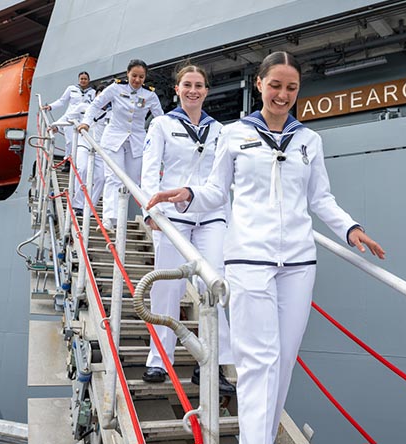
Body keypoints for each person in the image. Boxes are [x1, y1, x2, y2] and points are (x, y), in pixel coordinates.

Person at [146, 51, 385, 444]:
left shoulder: (309, 140)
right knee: (258, 362)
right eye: (275, 85)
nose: (282, 94)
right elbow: (215, 191)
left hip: (298, 263)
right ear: (259, 84)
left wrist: (350, 229)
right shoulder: (233, 134)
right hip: (248, 259)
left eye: (291, 87)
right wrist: (186, 194)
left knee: (285, 361)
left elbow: (320, 198)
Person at [139, 64, 235, 395]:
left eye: (199, 85)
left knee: (216, 283)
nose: (193, 90)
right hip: (170, 217)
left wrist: (232, 220)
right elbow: (150, 169)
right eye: (187, 85)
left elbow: (223, 181)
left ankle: (212, 363)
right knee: (166, 288)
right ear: (177, 89)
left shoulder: (220, 131)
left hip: (210, 216)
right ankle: (158, 359)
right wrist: (149, 210)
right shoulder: (162, 125)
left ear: (207, 90)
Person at [79, 59, 163, 231]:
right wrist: (86, 122)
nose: (137, 80)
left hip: (137, 141)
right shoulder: (116, 88)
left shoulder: (150, 95)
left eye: (141, 77)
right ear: (127, 74)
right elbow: (95, 105)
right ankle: (110, 219)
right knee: (113, 177)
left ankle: (145, 215)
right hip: (114, 138)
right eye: (134, 76)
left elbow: (160, 118)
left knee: (133, 181)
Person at [72, 84, 111, 217]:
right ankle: (78, 204)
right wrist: (56, 127)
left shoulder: (112, 114)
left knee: (101, 178)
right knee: (82, 169)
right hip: (84, 143)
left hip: (100, 148)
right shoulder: (84, 107)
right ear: (96, 95)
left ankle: (90, 207)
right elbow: (69, 117)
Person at [44, 71, 95, 171]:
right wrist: (51, 107)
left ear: (88, 80)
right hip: (70, 119)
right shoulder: (71, 89)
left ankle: (79, 163)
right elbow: (62, 101)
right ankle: (68, 161)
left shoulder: (92, 92)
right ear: (79, 79)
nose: (83, 81)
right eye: (81, 79)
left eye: (85, 79)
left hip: (83, 121)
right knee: (70, 142)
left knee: (82, 143)